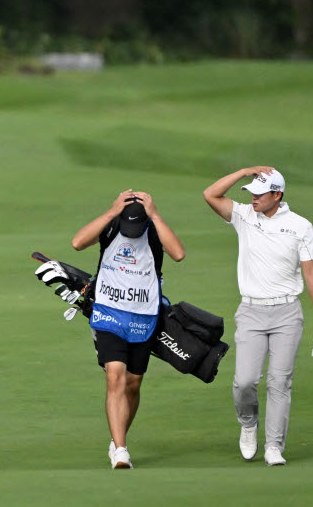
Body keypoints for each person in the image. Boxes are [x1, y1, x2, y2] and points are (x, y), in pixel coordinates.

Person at [203, 167, 313, 466]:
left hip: (287, 312)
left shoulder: (300, 225)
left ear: (277, 195)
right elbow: (211, 194)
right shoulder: (244, 216)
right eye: (252, 193)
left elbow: (310, 271)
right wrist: (244, 172)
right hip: (251, 311)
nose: (254, 198)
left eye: (261, 194)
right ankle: (248, 423)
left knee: (279, 382)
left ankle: (274, 446)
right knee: (245, 381)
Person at [70, 190, 185, 469]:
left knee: (133, 384)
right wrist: (111, 212)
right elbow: (77, 243)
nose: (132, 233)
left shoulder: (154, 229)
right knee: (115, 376)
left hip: (143, 318)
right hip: (108, 313)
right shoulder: (111, 225)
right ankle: (121, 450)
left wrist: (155, 214)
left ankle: (117, 437)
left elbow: (178, 254)